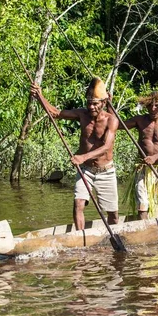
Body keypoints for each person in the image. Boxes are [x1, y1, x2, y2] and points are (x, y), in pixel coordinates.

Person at [30, 78, 119, 231]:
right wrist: (39, 96)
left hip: (106, 171)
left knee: (113, 215)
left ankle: (115, 235)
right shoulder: (81, 114)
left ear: (104, 102)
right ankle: (80, 238)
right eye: (89, 103)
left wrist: (82, 157)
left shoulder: (111, 120)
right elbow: (56, 113)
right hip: (86, 170)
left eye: (95, 103)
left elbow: (106, 147)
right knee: (78, 204)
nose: (91, 107)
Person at [122, 91, 158, 219]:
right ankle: (143, 230)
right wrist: (109, 107)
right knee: (143, 203)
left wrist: (154, 158)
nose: (153, 109)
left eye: (156, 105)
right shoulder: (139, 120)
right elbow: (117, 125)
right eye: (149, 106)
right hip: (143, 168)